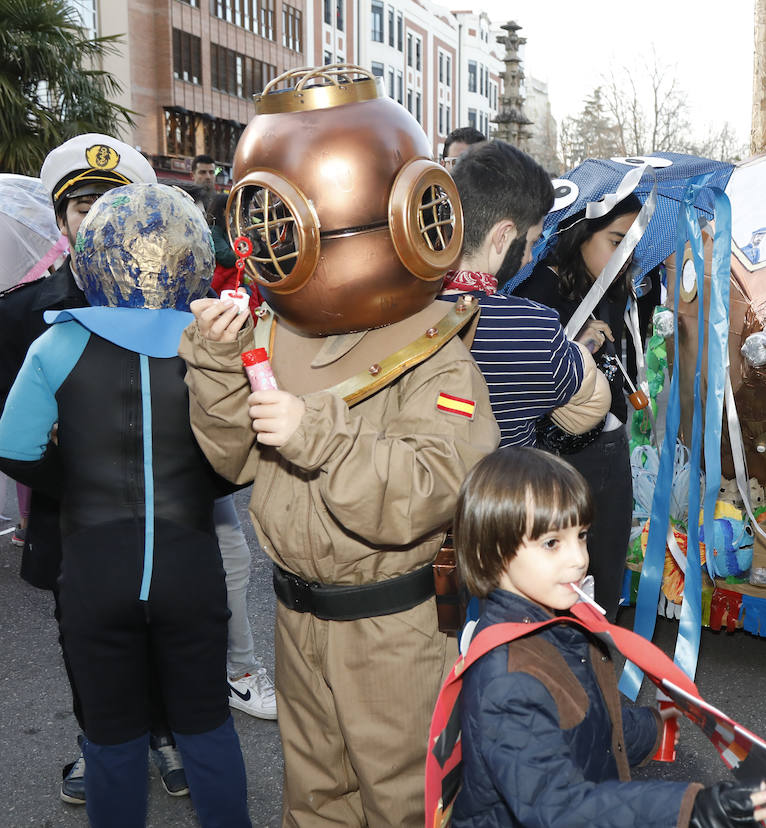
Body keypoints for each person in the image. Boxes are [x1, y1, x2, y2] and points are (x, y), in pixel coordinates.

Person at [180, 65, 502, 825]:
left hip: (393, 634)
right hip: (300, 619)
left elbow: (429, 493)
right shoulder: (276, 332)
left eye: (281, 222)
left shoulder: (434, 354)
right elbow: (228, 460)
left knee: (404, 806)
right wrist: (220, 366)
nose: (268, 240)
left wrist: (318, 431)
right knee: (316, 803)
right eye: (262, 223)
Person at [0, 182, 250, 825]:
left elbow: (14, 447)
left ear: (91, 257)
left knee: (111, 741)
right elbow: (236, 460)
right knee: (205, 728)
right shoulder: (215, 346)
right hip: (190, 562)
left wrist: (77, 481)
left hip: (94, 564)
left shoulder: (56, 344)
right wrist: (196, 483)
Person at [439, 446, 766, 827]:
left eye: (581, 535)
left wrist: (651, 731)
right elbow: (561, 809)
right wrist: (691, 810)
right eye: (553, 543)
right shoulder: (507, 681)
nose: (579, 558)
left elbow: (583, 717)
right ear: (493, 554)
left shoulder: (556, 624)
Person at [514, 195, 642, 613]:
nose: (623, 256)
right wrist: (579, 346)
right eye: (616, 241)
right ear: (582, 233)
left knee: (605, 574)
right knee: (561, 579)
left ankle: (597, 667)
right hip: (561, 455)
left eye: (631, 246)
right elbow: (530, 383)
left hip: (609, 443)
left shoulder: (607, 284)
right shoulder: (539, 288)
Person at [440, 140, 610, 449]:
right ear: (504, 236)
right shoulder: (535, 328)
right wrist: (582, 345)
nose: (530, 257)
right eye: (530, 242)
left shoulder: (404, 308)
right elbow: (589, 398)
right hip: (503, 489)